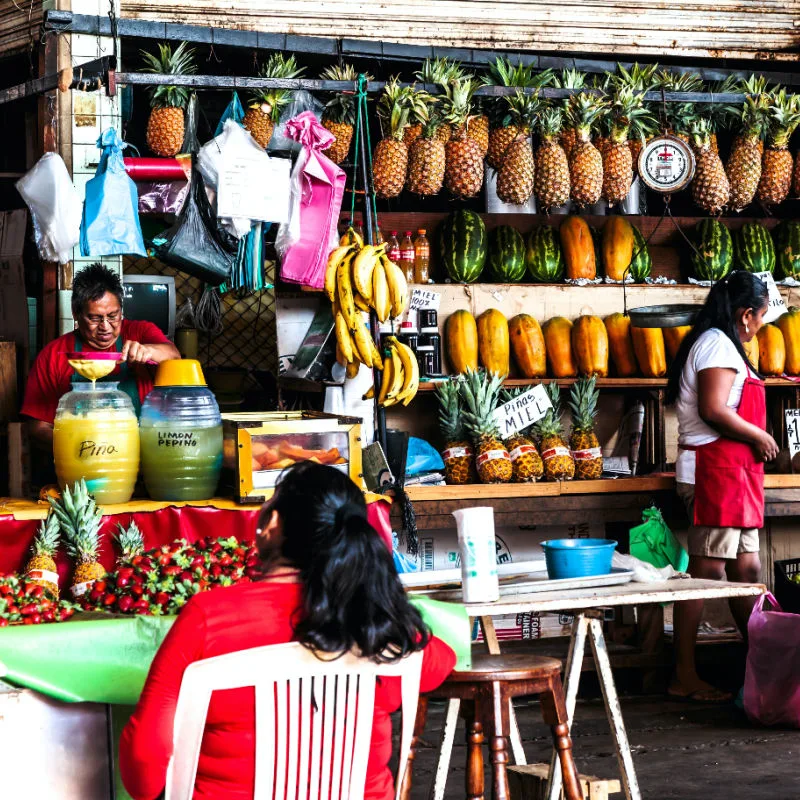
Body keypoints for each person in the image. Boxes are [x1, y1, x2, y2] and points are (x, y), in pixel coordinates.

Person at [119, 462, 456, 800]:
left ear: (273, 523)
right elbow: (440, 663)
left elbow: (144, 767)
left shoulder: (207, 618)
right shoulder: (377, 621)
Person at [666, 271, 776, 703]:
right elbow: (713, 409)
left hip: (736, 476)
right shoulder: (715, 344)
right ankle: (684, 675)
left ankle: (764, 664)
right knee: (706, 575)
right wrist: (758, 436)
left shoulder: (726, 345)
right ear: (746, 314)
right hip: (716, 473)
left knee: (746, 572)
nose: (762, 326)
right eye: (762, 316)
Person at [21, 262, 179, 453]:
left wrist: (148, 351)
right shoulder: (53, 355)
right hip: (81, 461)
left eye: (113, 316)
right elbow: (37, 428)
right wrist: (78, 445)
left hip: (142, 458)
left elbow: (174, 358)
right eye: (95, 318)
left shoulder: (140, 332)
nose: (106, 326)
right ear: (76, 314)